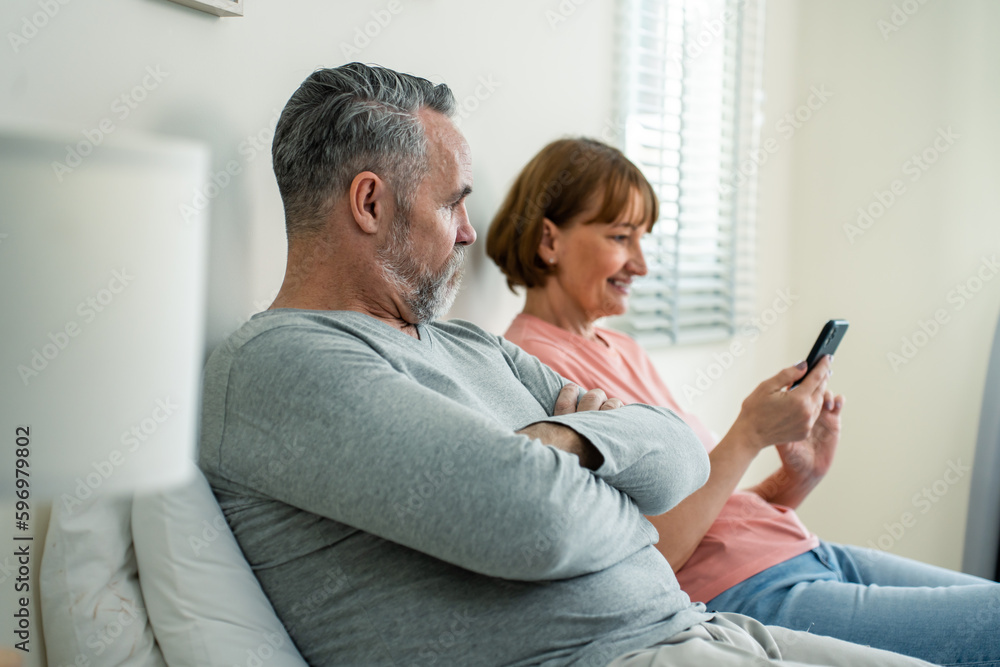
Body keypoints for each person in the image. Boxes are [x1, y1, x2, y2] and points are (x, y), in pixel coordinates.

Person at [198, 62, 934, 667]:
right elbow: (536, 523)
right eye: (453, 204)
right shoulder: (281, 364)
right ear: (370, 203)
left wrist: (571, 442)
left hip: (695, 629)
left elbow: (676, 455)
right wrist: (623, 502)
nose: (469, 233)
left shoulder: (469, 344)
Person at [486, 136, 1000, 666]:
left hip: (801, 552)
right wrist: (748, 434)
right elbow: (650, 553)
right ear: (550, 240)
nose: (641, 264)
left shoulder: (619, 347)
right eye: (621, 237)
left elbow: (707, 508)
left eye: (644, 238)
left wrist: (792, 481)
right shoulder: (533, 366)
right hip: (750, 590)